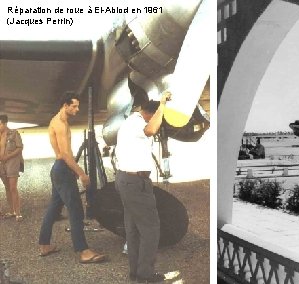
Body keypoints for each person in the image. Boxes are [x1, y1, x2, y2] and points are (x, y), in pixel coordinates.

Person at [38, 92, 107, 263]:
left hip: (59, 169)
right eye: (74, 106)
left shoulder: (57, 121)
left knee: (54, 208)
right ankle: (83, 251)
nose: (77, 109)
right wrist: (81, 173)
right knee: (76, 210)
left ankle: (44, 245)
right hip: (62, 168)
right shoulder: (60, 124)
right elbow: (65, 155)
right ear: (65, 105)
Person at [115, 90, 171, 283]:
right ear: (151, 113)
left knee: (133, 230)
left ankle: (136, 273)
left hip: (127, 180)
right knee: (151, 229)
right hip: (135, 183)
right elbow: (151, 130)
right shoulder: (139, 123)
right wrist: (162, 105)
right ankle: (145, 274)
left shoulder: (130, 122)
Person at [0, 114, 24, 221]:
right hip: (2, 164)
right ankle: (11, 211)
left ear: (5, 124)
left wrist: (8, 156)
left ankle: (18, 212)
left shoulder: (14, 134)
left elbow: (20, 148)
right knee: (7, 188)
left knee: (13, 187)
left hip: (12, 163)